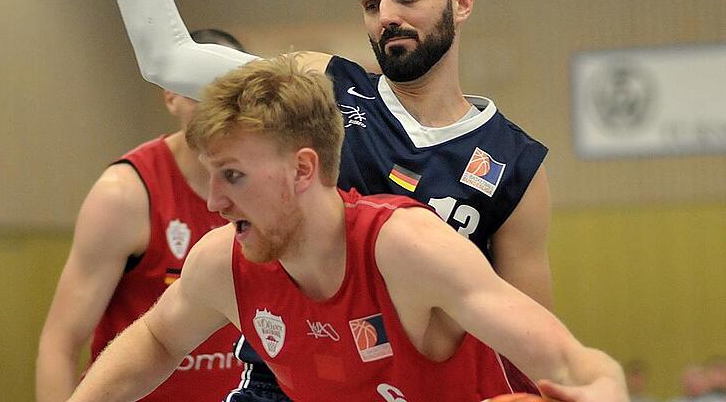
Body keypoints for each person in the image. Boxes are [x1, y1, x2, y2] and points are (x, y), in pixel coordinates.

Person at [66, 56, 627, 402]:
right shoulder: (222, 262)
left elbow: (571, 363)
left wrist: (604, 387)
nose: (213, 202)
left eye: (232, 176)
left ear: (303, 169)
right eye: (212, 176)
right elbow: (157, 341)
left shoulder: (408, 248)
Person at [108, 0, 551, 398]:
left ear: (461, 3)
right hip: (287, 379)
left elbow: (529, 347)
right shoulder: (321, 87)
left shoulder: (514, 163)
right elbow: (166, 59)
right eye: (371, 3)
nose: (387, 15)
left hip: (414, 387)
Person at [35, 30, 247, 402]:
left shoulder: (267, 188)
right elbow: (60, 342)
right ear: (170, 96)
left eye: (226, 91)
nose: (213, 104)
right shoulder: (125, 195)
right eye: (196, 89)